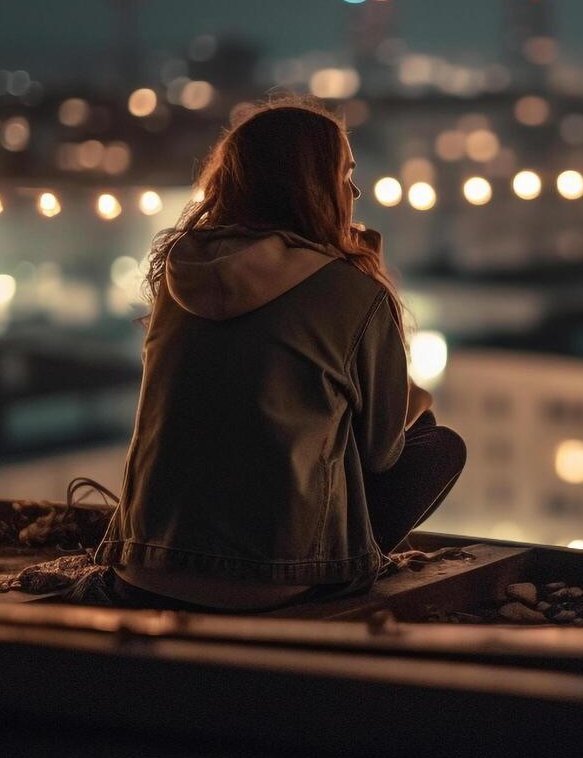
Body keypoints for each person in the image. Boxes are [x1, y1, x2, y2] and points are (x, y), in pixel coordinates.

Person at [88, 98, 464, 610]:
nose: (353, 190)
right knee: (435, 442)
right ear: (309, 186)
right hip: (279, 581)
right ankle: (339, 565)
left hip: (144, 568)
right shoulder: (350, 291)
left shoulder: (179, 275)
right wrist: (406, 380)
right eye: (344, 173)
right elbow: (382, 451)